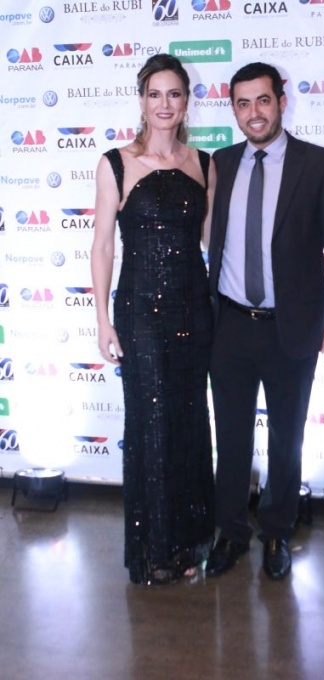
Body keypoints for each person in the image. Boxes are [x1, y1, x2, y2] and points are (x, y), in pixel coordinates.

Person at [205, 62, 324, 581]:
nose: (254, 112)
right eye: (243, 103)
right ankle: (230, 532)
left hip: (291, 326)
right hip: (229, 324)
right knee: (230, 438)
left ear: (281, 101)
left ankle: (276, 531)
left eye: (263, 100)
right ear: (233, 109)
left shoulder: (318, 164)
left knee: (287, 437)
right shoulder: (220, 164)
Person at [91, 54, 216, 585]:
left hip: (196, 310)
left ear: (187, 101)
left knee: (189, 422)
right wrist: (102, 321)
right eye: (155, 94)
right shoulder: (116, 163)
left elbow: (213, 243)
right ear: (142, 101)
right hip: (140, 313)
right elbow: (102, 247)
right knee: (152, 425)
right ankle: (155, 547)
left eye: (174, 94)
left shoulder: (204, 164)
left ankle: (189, 542)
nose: (165, 104)